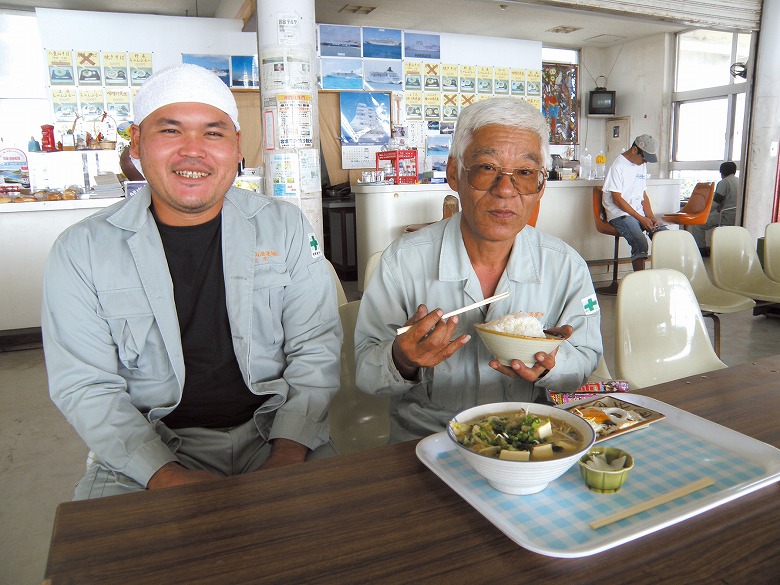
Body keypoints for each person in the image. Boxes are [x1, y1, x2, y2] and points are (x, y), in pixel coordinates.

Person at [41, 64, 342, 499]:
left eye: (214, 133)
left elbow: (315, 347)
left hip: (278, 432)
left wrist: (288, 452)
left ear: (237, 148)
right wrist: (166, 475)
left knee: (339, 553)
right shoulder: (81, 250)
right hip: (145, 450)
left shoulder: (284, 226)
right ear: (138, 144)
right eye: (171, 131)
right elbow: (85, 386)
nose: (193, 151)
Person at [354, 97, 603, 443]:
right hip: (427, 441)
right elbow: (365, 372)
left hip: (530, 440)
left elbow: (587, 358)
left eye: (525, 174)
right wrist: (402, 358)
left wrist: (552, 362)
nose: (505, 191)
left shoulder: (565, 265)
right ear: (454, 173)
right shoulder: (402, 261)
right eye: (487, 168)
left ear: (541, 186)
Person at [602, 134, 667, 271]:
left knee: (664, 236)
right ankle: (641, 283)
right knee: (640, 242)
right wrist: (641, 219)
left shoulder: (641, 165)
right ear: (634, 150)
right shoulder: (618, 166)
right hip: (620, 214)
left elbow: (643, 194)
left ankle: (663, 278)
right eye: (644, 158)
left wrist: (650, 217)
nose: (645, 162)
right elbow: (617, 200)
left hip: (638, 214)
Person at [690, 161, 739, 255]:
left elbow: (716, 202)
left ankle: (701, 250)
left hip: (725, 216)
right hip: (736, 216)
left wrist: (702, 211)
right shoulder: (739, 181)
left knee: (697, 224)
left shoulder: (724, 182)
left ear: (722, 172)